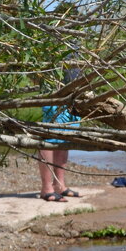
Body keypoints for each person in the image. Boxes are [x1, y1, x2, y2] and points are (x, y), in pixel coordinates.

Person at [38, 69, 82, 202]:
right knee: (50, 131)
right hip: (54, 71)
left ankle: (59, 185)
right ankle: (46, 188)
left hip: (73, 72)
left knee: (67, 130)